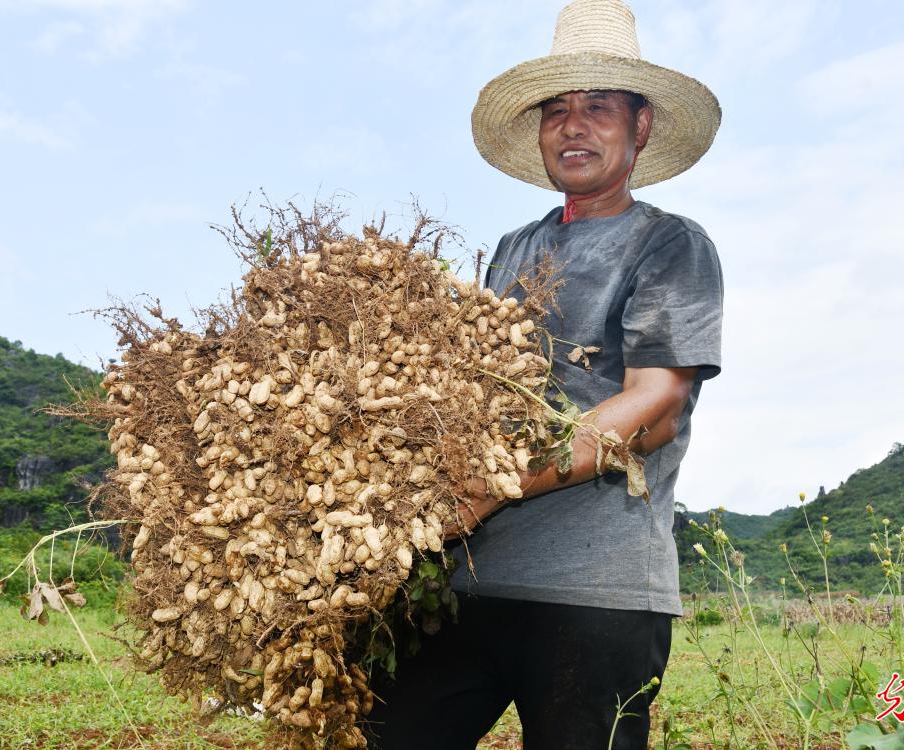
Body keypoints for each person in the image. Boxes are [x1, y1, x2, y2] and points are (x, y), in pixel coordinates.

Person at [365, 1, 723, 748]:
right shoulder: (510, 249)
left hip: (596, 595)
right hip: (464, 584)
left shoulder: (667, 244)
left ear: (640, 126)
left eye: (598, 107)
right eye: (556, 109)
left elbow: (653, 407)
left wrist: (489, 487)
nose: (573, 125)